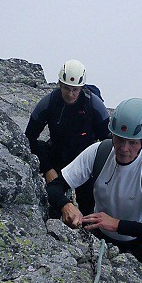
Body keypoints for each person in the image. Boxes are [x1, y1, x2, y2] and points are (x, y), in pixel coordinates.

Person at [46, 97, 142, 273]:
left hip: (141, 245)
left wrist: (117, 225)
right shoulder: (98, 152)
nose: (124, 148)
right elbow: (54, 187)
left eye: (132, 142)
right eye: (119, 139)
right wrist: (66, 205)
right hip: (101, 238)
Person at [25, 59, 110, 215]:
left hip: (86, 159)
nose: (70, 94)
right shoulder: (49, 104)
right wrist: (47, 168)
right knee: (54, 199)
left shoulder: (93, 105)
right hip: (59, 155)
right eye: (66, 88)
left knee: (88, 204)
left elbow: (108, 140)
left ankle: (88, 231)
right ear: (59, 84)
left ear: (81, 88)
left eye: (75, 90)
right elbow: (29, 138)